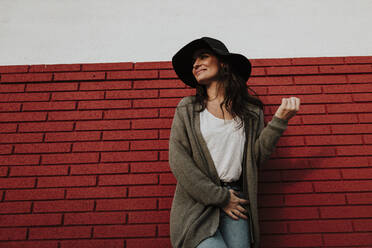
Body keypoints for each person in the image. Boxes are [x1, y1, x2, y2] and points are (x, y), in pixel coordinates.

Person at [168, 37, 300, 248]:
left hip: (237, 201)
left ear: (224, 64)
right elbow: (179, 161)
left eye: (203, 56)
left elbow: (255, 158)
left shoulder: (250, 113)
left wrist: (279, 121)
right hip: (197, 203)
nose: (195, 64)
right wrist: (220, 197)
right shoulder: (187, 109)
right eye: (194, 61)